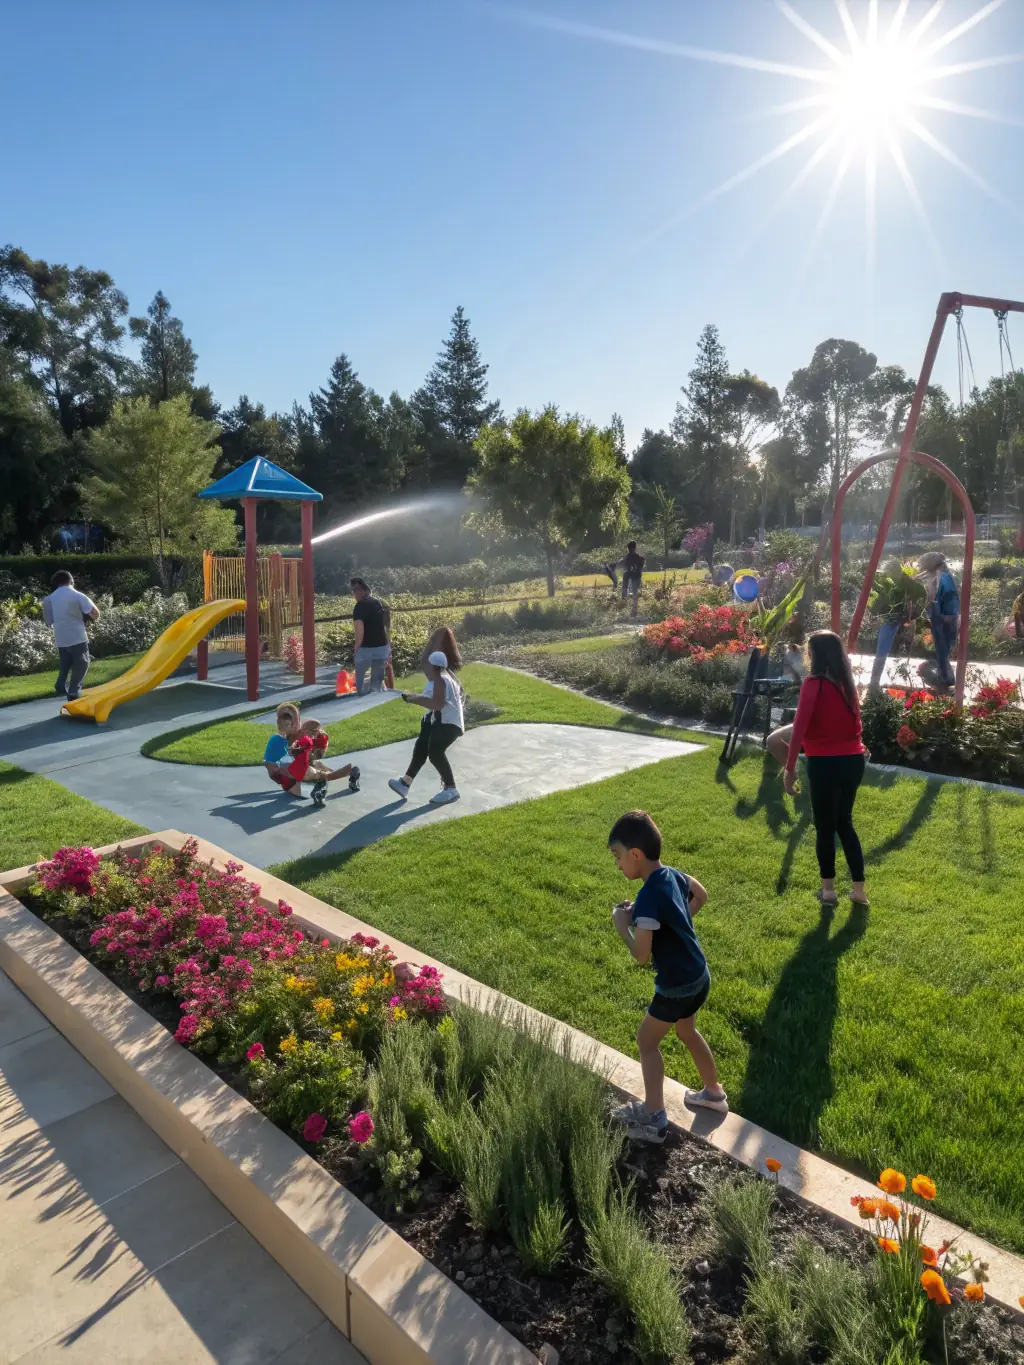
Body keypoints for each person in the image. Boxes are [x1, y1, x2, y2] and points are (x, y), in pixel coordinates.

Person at [608, 810, 726, 1143]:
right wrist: (677, 922)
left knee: (646, 1042)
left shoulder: (646, 899)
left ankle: (655, 1117)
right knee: (687, 1029)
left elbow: (642, 956)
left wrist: (623, 926)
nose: (617, 864)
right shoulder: (672, 874)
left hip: (676, 984)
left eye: (617, 857)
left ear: (635, 854)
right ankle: (714, 1096)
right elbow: (700, 894)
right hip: (699, 974)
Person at [784, 631, 868, 908]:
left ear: (814, 654)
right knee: (844, 822)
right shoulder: (847, 683)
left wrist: (789, 768)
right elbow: (855, 724)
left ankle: (828, 890)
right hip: (853, 760)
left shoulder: (814, 684)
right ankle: (859, 891)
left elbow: (799, 727)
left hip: (824, 762)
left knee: (824, 826)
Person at [388, 649, 465, 805]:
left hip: (448, 723)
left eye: (427, 666)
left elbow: (436, 704)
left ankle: (451, 789)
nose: (424, 670)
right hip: (441, 721)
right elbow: (432, 700)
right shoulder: (441, 679)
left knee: (435, 752)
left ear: (433, 667)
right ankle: (405, 783)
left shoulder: (441, 680)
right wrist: (413, 697)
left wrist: (412, 699)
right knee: (422, 747)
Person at [264, 703, 358, 804]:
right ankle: (345, 773)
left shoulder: (302, 735)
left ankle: (321, 785)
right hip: (291, 775)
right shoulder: (276, 741)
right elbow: (271, 766)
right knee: (306, 774)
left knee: (315, 766)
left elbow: (313, 754)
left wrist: (316, 744)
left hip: (300, 772)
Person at [42, 570, 100, 703]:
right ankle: (74, 691)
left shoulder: (49, 599)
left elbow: (48, 622)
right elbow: (95, 613)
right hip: (77, 635)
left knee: (66, 662)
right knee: (82, 662)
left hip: (61, 637)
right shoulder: (77, 595)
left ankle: (61, 684)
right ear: (71, 581)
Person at [917, 552, 960, 689]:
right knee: (944, 648)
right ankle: (948, 676)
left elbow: (934, 596)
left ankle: (945, 678)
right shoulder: (947, 574)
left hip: (942, 614)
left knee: (942, 648)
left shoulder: (940, 576)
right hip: (949, 614)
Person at [350, 577, 391, 693]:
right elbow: (384, 627)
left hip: (367, 648)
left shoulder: (359, 607)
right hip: (382, 646)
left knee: (361, 685)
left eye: (355, 591)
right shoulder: (377, 603)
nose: (354, 594)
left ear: (360, 591)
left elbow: (360, 631)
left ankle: (361, 698)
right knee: (376, 684)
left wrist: (356, 648)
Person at [618, 542, 645, 617]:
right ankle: (627, 608)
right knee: (629, 592)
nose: (630, 550)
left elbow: (640, 564)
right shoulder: (630, 557)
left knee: (633, 593)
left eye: (630, 549)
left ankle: (632, 611)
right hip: (632, 577)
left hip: (635, 577)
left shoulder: (635, 557)